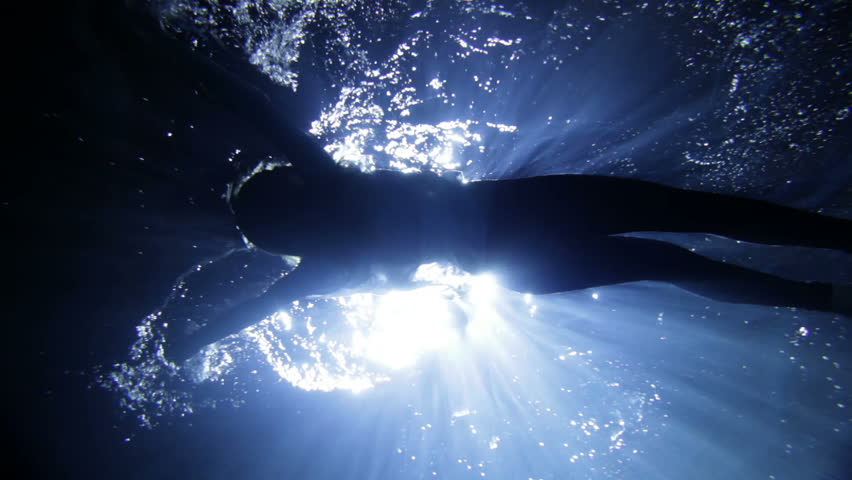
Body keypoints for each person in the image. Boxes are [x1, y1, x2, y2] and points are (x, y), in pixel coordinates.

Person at [164, 137, 852, 362]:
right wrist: (195, 340)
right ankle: (835, 254)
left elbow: (254, 309)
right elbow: (256, 305)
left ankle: (828, 296)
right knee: (693, 223)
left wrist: (190, 344)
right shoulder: (335, 190)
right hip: (516, 215)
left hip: (511, 260)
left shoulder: (328, 259)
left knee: (675, 261)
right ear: (293, 194)